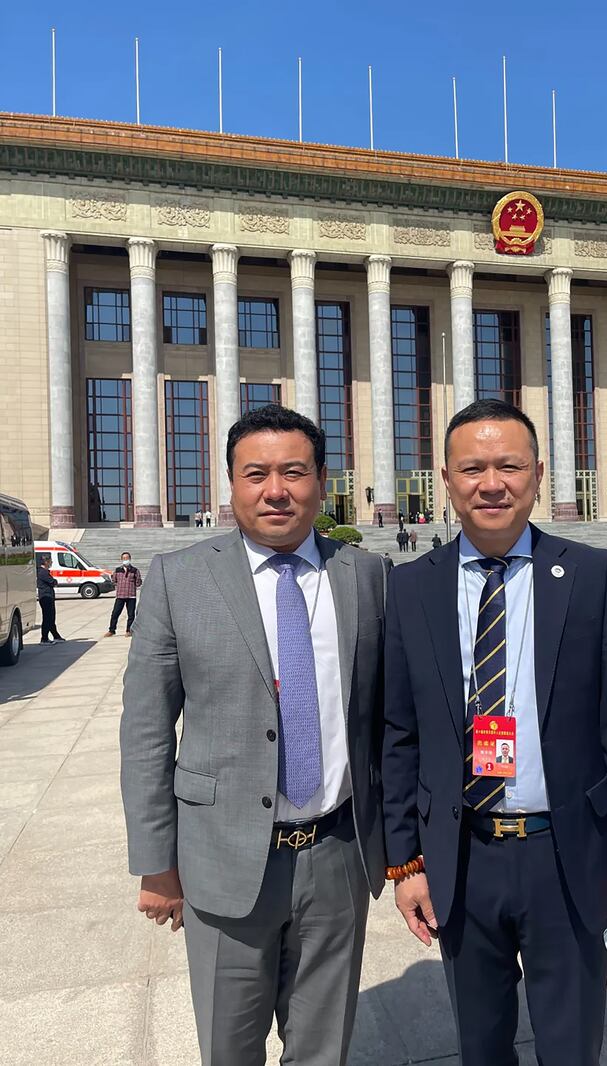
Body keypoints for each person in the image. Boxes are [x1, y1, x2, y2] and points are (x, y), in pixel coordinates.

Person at [382, 398, 607, 1066]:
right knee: (480, 1042)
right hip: (463, 853)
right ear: (446, 481)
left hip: (565, 852)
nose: (492, 482)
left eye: (509, 465)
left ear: (538, 475)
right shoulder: (412, 587)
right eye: (472, 467)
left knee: (570, 1042)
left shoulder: (588, 575)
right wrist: (405, 862)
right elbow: (399, 734)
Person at [120, 404, 389, 1066]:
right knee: (230, 1048)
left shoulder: (367, 578)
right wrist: (158, 864)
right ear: (232, 484)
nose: (277, 490)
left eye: (294, 472)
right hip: (222, 859)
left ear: (322, 481)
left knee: (323, 1049)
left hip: (337, 855)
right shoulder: (179, 580)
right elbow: (147, 731)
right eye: (257, 474)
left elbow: (387, 722)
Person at [105, 552, 143, 638]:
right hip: (120, 596)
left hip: (131, 595)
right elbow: (114, 580)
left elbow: (138, 583)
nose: (126, 560)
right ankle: (111, 630)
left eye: (127, 558)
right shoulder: (117, 570)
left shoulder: (135, 570)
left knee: (131, 614)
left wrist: (138, 581)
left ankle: (129, 630)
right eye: (124, 558)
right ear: (121, 559)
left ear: (130, 559)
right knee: (115, 613)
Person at [36, 553, 64, 644]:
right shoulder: (42, 572)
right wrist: (54, 581)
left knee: (51, 618)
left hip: (48, 597)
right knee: (47, 618)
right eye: (50, 561)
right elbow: (53, 582)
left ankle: (56, 636)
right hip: (46, 597)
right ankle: (44, 638)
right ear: (46, 562)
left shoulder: (44, 572)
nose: (51, 562)